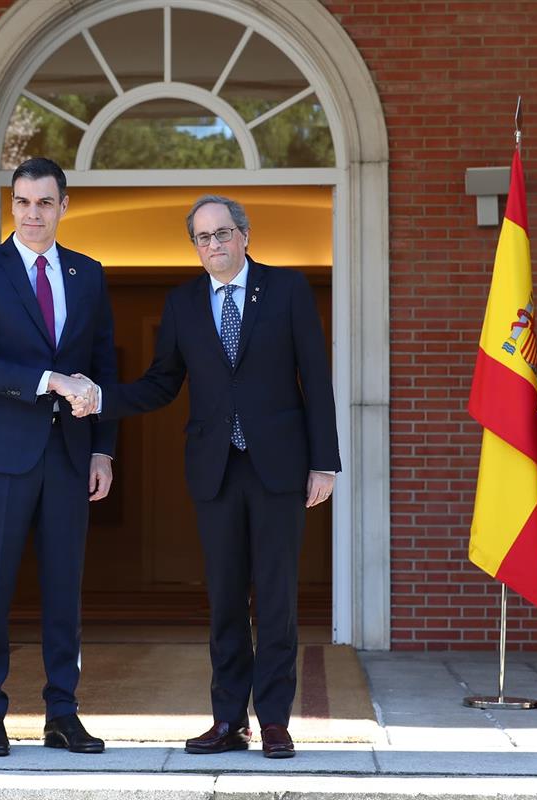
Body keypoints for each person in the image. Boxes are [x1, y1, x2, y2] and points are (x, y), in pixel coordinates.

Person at [71, 195, 340, 758]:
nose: (213, 245)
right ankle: (227, 721)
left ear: (244, 235)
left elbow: (315, 379)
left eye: (222, 234)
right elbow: (161, 382)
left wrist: (325, 462)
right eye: (202, 238)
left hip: (279, 469)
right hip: (215, 470)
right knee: (223, 601)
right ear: (194, 245)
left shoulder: (287, 290)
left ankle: (273, 722)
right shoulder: (183, 303)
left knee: (274, 599)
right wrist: (101, 399)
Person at [0, 157, 115, 757]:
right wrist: (51, 380)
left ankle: (62, 713)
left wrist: (103, 449)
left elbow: (103, 367)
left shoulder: (88, 274)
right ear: (11, 205)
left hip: (70, 455)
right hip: (0, 457)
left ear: (63, 206)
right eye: (23, 202)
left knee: (63, 589)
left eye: (45, 202)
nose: (33, 213)